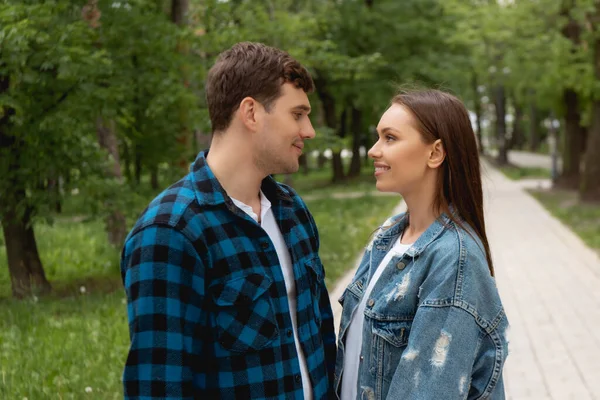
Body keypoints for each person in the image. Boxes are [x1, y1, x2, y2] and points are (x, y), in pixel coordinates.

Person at [120, 42, 336, 399]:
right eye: (297, 114)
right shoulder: (171, 232)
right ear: (251, 113)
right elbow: (158, 387)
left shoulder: (292, 212)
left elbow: (322, 341)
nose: (309, 130)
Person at [334, 89, 509, 399]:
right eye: (378, 137)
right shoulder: (388, 237)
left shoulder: (453, 259)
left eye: (389, 138)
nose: (374, 150)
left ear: (435, 153)